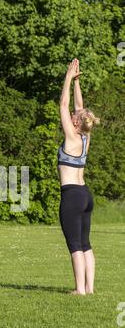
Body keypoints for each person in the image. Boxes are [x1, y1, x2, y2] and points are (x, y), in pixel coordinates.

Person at [57, 58, 100, 295]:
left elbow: (64, 106)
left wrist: (66, 78)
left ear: (76, 122)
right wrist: (76, 82)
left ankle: (79, 290)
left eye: (76, 115)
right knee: (85, 244)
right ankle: (90, 288)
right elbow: (78, 105)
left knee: (74, 245)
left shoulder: (72, 138)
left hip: (72, 195)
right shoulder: (85, 136)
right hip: (85, 194)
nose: (74, 113)